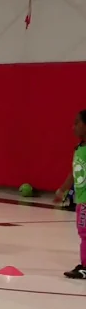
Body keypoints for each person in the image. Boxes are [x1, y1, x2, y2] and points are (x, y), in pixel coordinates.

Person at [56, 110, 86, 279]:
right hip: (81, 199)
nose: (73, 127)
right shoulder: (79, 148)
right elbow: (74, 173)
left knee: (85, 232)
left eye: (77, 123)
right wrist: (63, 190)